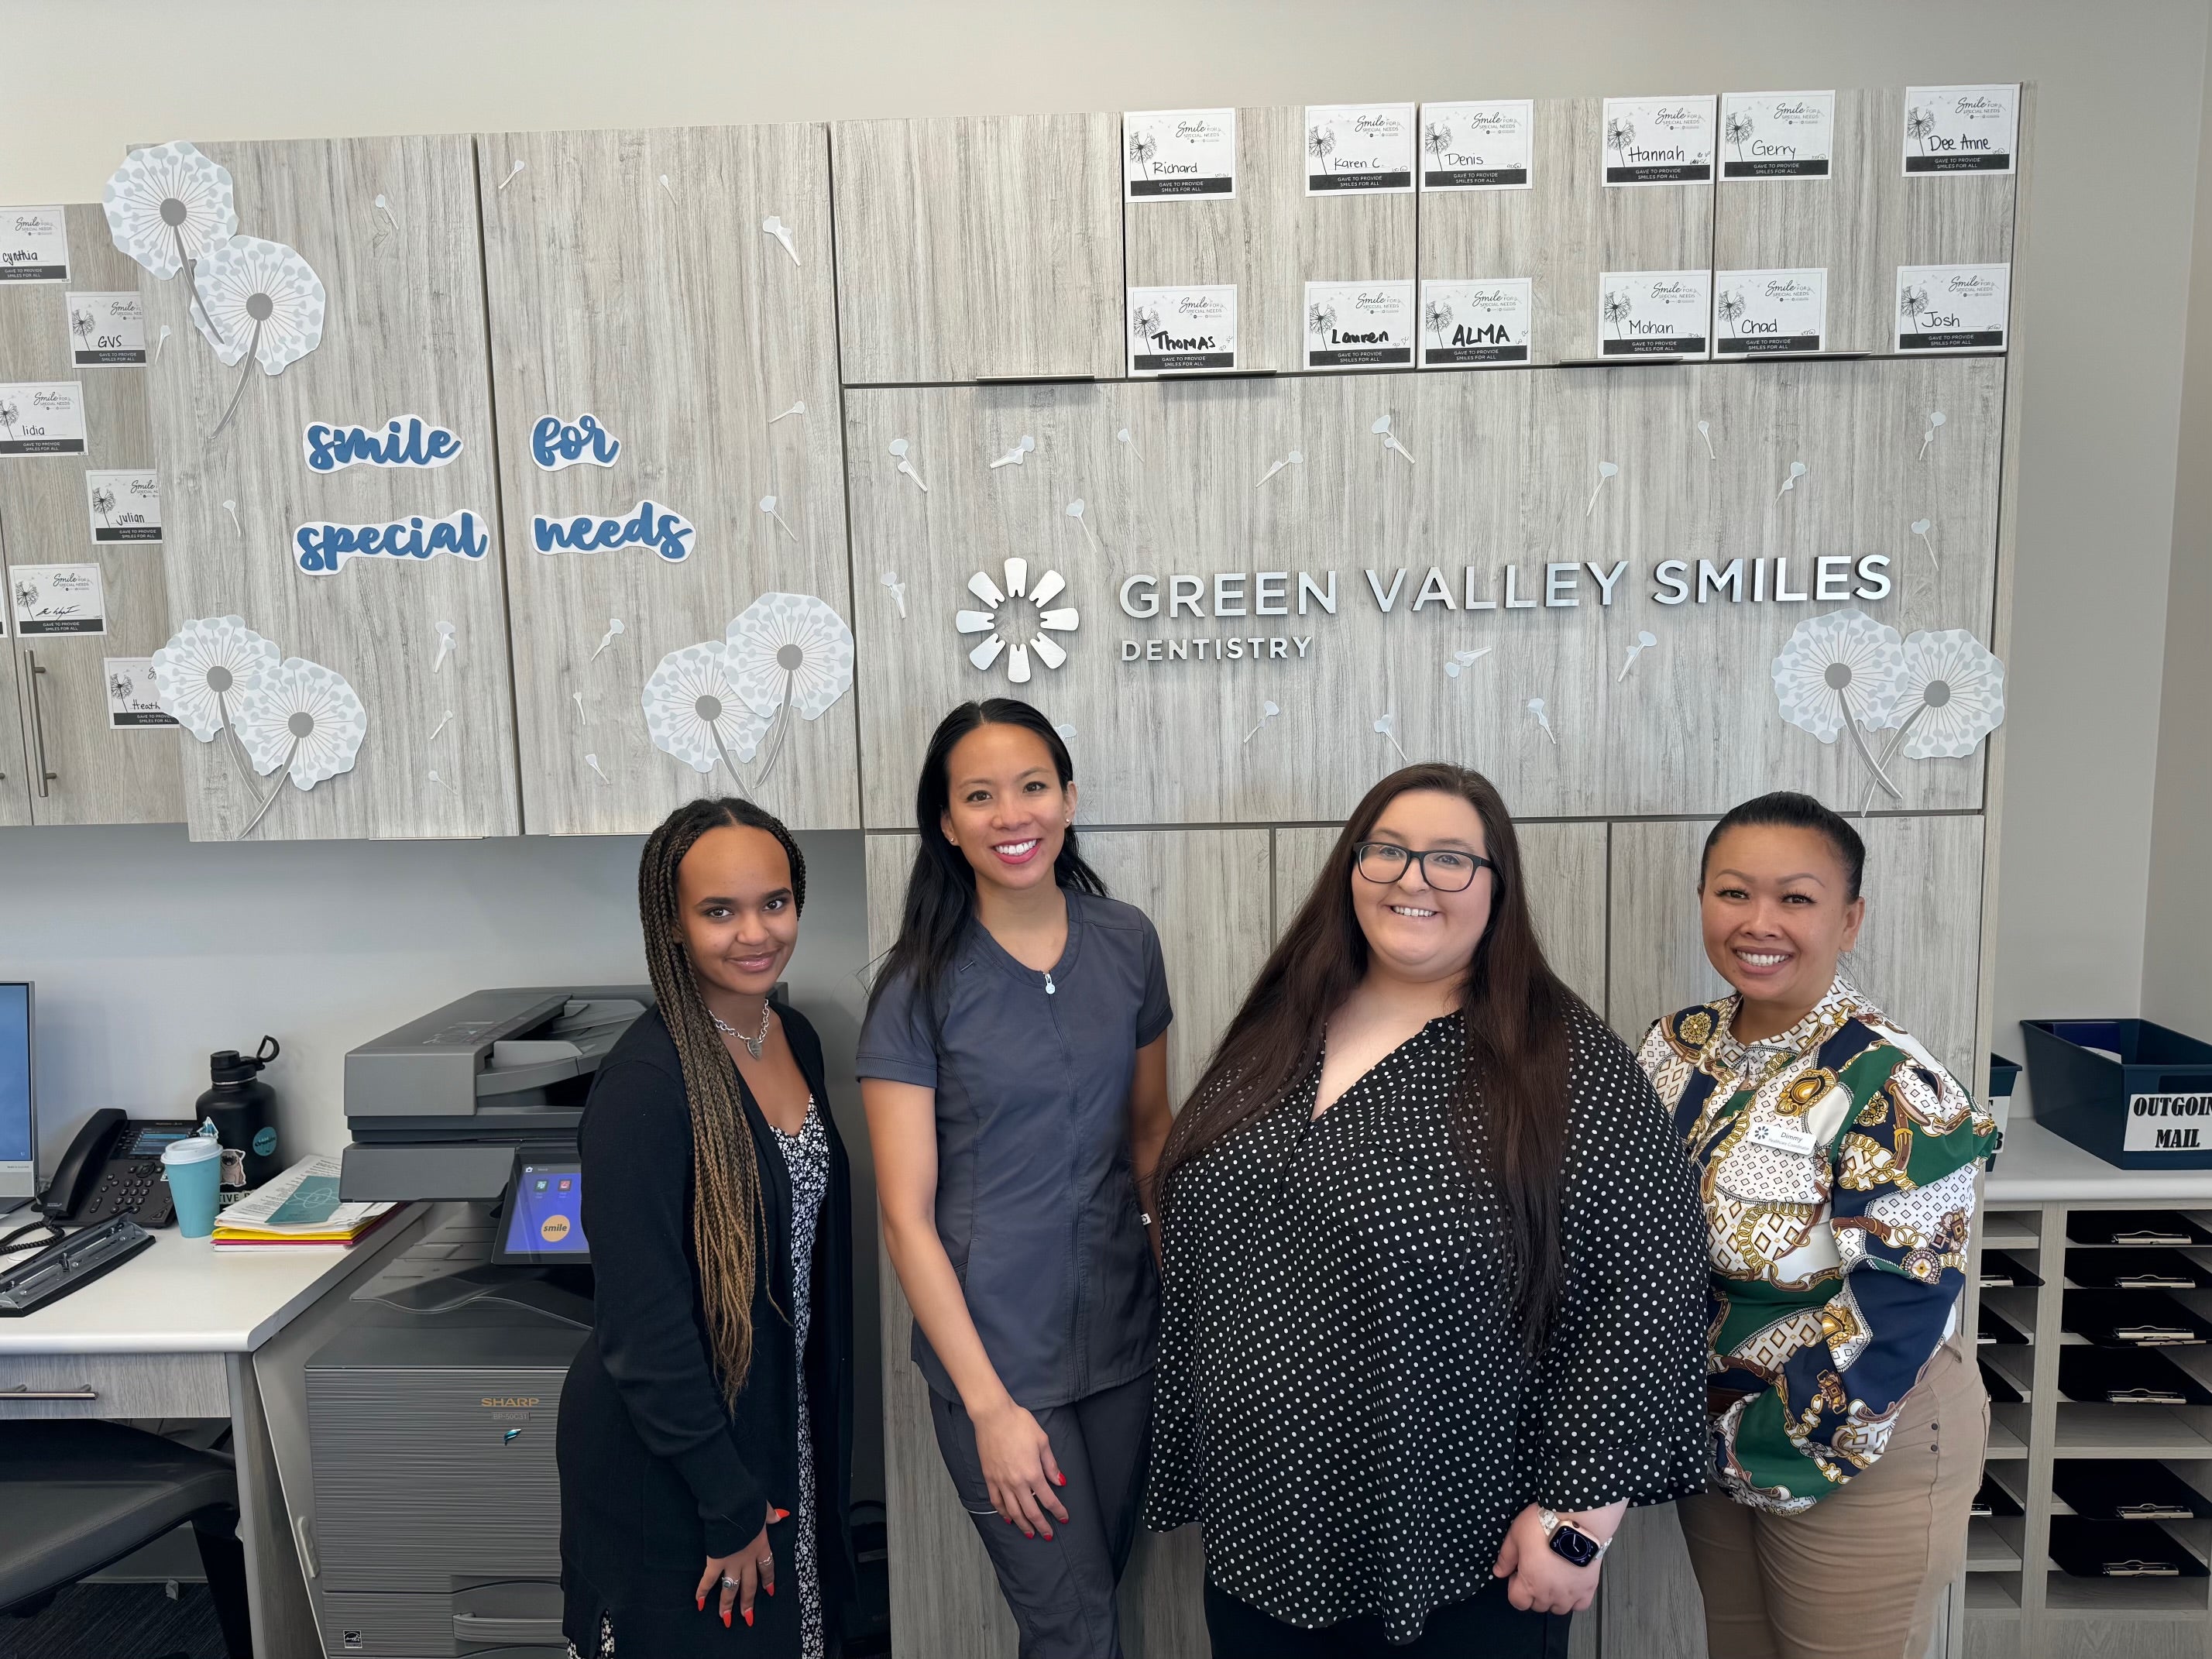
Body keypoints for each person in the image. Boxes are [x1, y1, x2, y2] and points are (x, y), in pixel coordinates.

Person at [1147, 762, 1707, 1657]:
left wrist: (1579, 1521)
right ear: (1351, 869)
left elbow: (1651, 1285)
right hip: (1260, 1533)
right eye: (1389, 853)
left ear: (1498, 889)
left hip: (1457, 1551)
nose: (1413, 880)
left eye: (1451, 860)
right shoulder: (1286, 1017)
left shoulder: (1559, 1059)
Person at [1637, 792, 1997, 1659]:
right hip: (1712, 1425)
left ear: (1850, 917)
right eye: (1733, 893)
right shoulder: (1671, 1047)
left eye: (1796, 898)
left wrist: (1772, 1444)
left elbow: (1898, 1310)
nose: (1759, 922)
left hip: (1858, 1432)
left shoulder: (1895, 1085)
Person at [860, 698, 1174, 1659]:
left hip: (1127, 1344)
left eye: (1033, 787)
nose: (1013, 815)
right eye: (981, 796)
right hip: (999, 1364)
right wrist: (992, 1409)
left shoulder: (1126, 942)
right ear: (947, 824)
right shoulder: (917, 986)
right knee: (1073, 1629)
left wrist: (1188, 1301)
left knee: (1096, 1601)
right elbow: (906, 1219)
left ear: (1069, 799)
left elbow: (1151, 1135)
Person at [557, 799, 854, 1658]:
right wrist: (727, 1506)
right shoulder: (645, 1088)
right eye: (718, 911)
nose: (754, 933)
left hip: (768, 1421)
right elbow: (646, 1332)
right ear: (674, 925)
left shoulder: (789, 1032)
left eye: (774, 902)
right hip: (676, 1462)